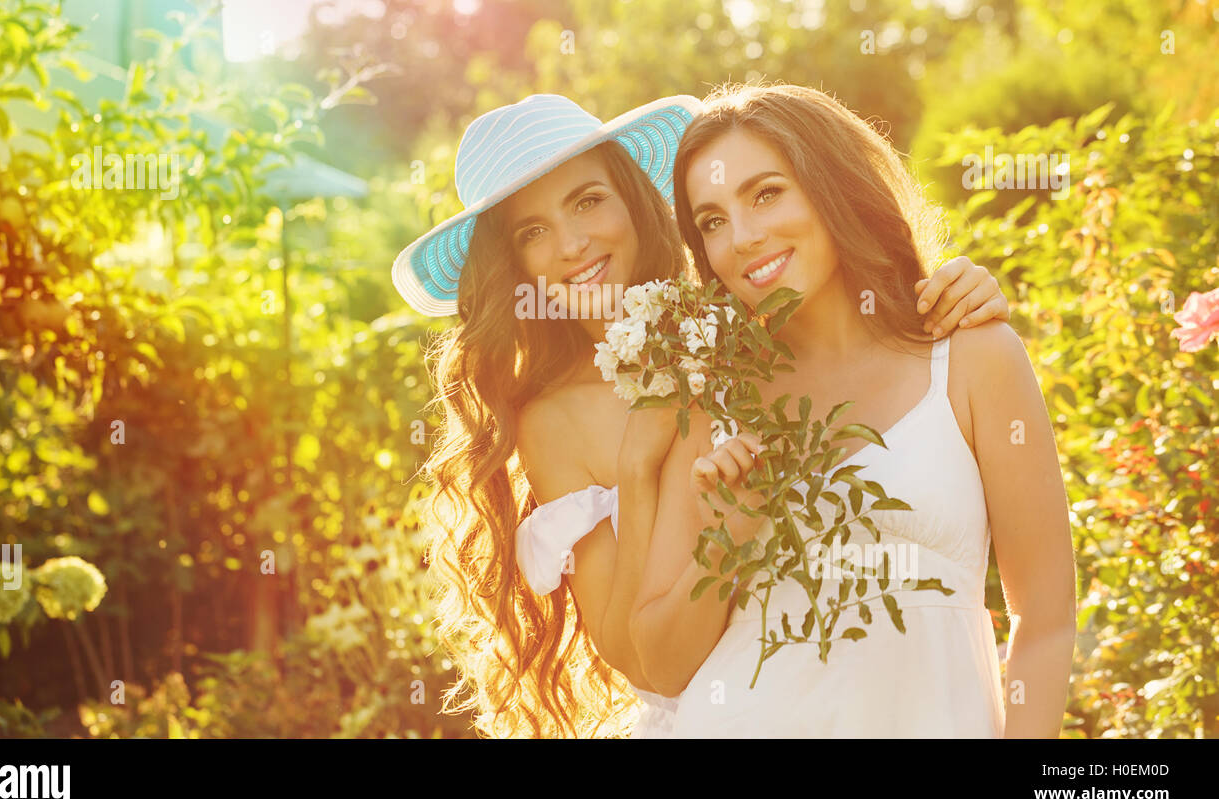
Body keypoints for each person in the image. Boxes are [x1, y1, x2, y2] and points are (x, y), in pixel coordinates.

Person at [392, 92, 1012, 738]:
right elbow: (639, 662)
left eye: (587, 200)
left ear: (632, 199)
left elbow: (858, 339)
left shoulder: (735, 319)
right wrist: (638, 466)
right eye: (533, 231)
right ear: (513, 263)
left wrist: (956, 284)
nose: (572, 244)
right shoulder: (556, 422)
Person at [628, 83, 1077, 737]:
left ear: (831, 185)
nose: (744, 237)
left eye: (766, 193)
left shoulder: (972, 356)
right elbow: (661, 669)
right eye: (713, 221)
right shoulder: (713, 401)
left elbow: (1044, 620)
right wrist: (729, 541)